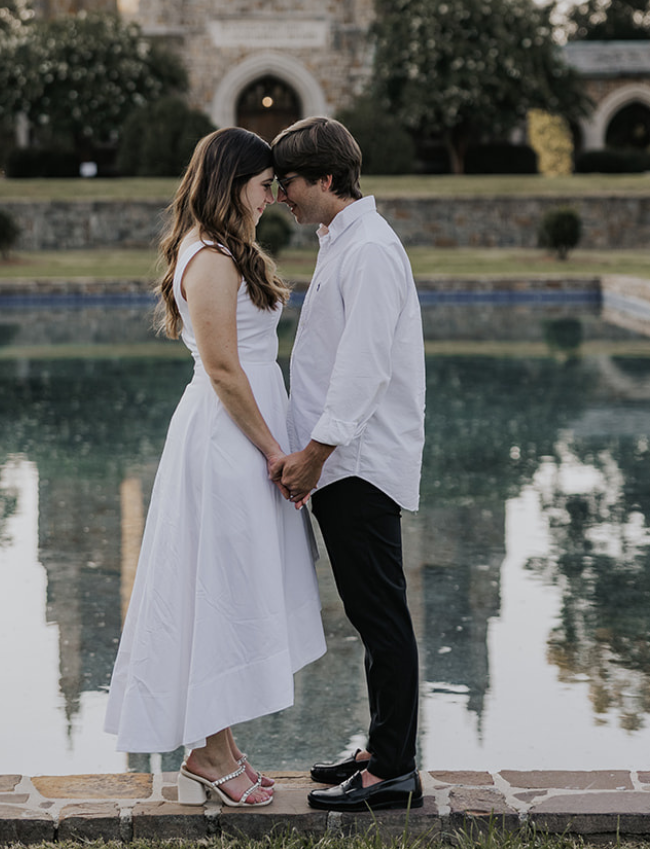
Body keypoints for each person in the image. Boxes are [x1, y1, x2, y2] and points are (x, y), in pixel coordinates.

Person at [103, 127, 325, 807]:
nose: (270, 200)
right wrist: (272, 450)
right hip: (227, 442)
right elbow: (225, 369)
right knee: (216, 588)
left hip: (245, 435)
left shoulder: (230, 249)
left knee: (232, 587)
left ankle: (217, 747)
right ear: (231, 182)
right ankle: (210, 753)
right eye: (263, 188)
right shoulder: (208, 257)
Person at [270, 116, 425, 813]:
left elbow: (363, 371)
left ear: (325, 179)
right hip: (342, 462)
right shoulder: (343, 239)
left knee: (381, 613)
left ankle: (393, 770)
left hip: (355, 462)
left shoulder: (369, 252)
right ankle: (380, 747)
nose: (281, 196)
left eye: (290, 183)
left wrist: (314, 455)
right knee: (369, 614)